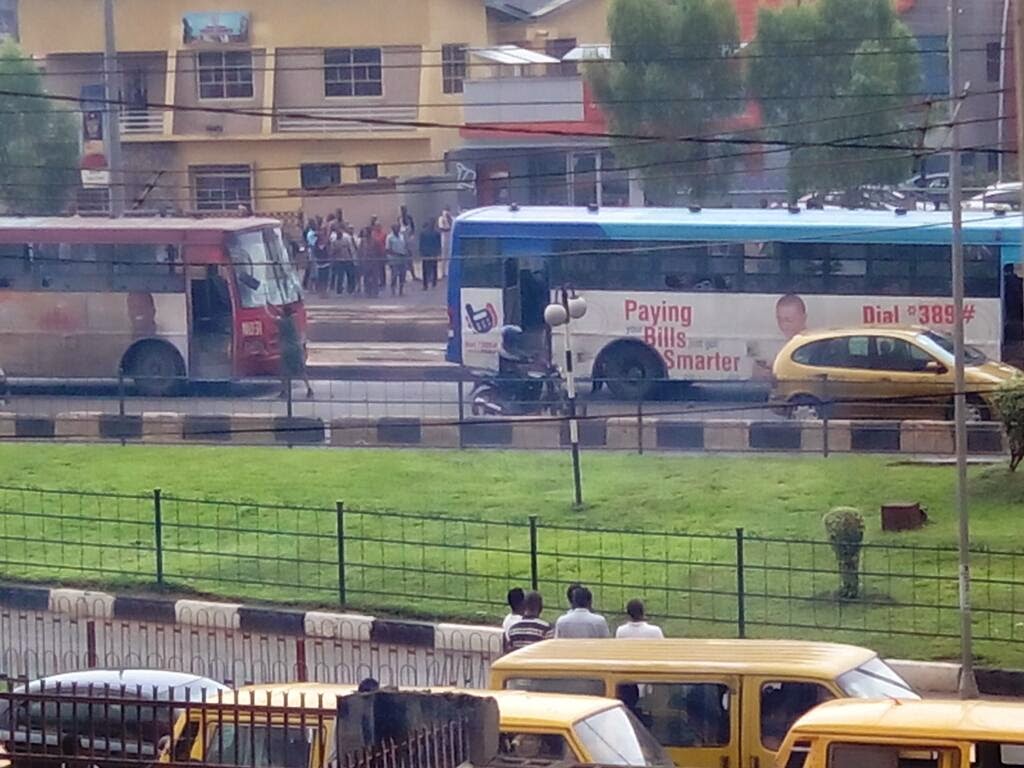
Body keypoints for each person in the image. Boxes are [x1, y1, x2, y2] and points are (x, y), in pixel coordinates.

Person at [268, 303, 313, 399]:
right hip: (296, 348)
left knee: (284, 371)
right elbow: (279, 311)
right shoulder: (292, 320)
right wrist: (271, 305)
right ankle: (309, 389)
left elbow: (271, 318)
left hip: (287, 350)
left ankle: (284, 391)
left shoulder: (282, 322)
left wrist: (265, 309)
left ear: (284, 313)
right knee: (301, 371)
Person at [386, 223, 409, 297]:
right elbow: (387, 249)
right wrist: (397, 254)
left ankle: (401, 290)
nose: (397, 229)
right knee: (394, 275)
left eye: (398, 228)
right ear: (393, 229)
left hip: (403, 258)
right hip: (394, 259)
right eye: (396, 228)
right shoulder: (389, 237)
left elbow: (405, 246)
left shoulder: (402, 236)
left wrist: (406, 252)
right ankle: (393, 290)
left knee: (402, 274)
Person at [419, 218, 441, 290]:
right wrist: (421, 252)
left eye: (433, 223)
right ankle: (425, 284)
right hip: (426, 253)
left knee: (434, 268)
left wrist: (438, 252)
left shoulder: (436, 233)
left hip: (433, 253)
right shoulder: (423, 233)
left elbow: (439, 244)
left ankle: (434, 283)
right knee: (425, 269)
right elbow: (421, 243)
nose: (432, 224)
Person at [437, 205, 454, 278]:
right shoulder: (441, 219)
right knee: (444, 255)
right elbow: (441, 228)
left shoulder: (452, 218)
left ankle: (448, 271)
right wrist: (446, 221)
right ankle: (443, 272)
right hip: (444, 237)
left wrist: (449, 221)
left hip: (450, 237)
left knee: (450, 255)